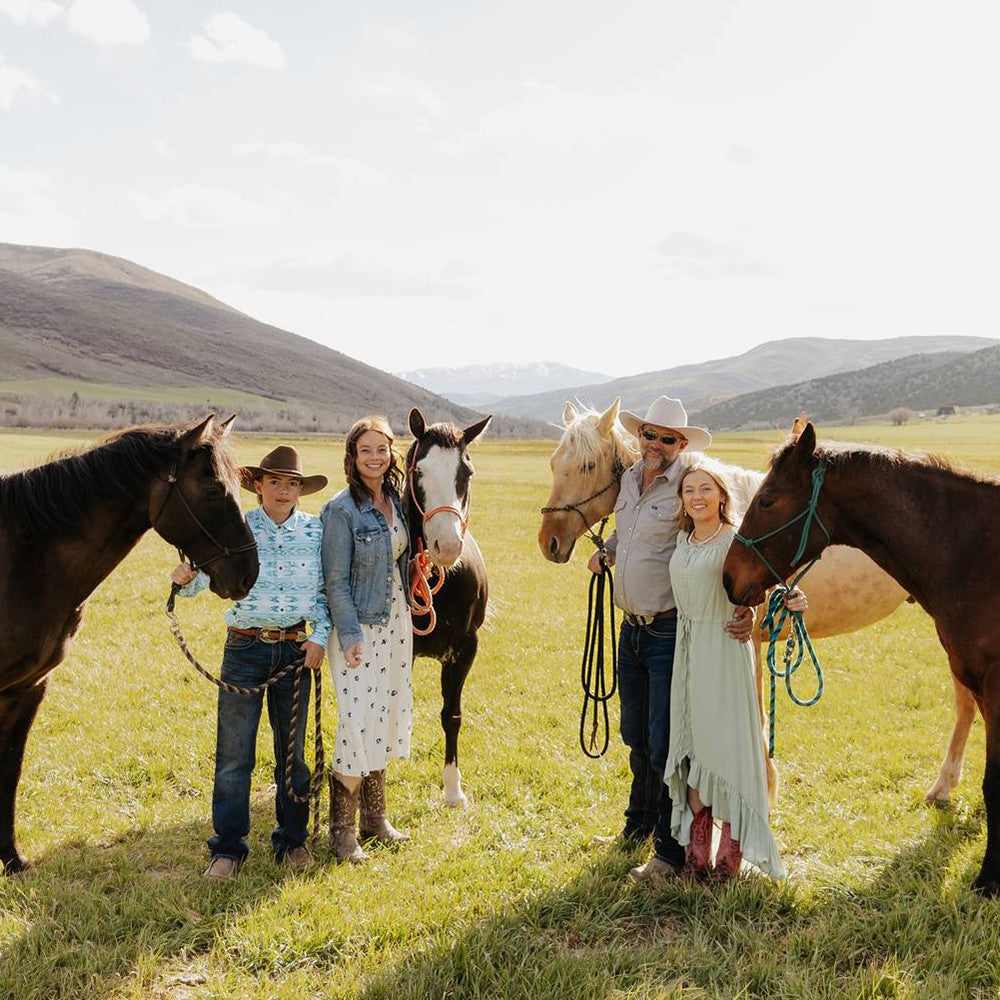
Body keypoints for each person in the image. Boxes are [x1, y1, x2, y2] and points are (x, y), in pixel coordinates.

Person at [587, 396, 753, 885]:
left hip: (667, 630)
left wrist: (750, 603)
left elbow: (723, 541)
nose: (656, 444)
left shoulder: (688, 486)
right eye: (649, 435)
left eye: (667, 438)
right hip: (630, 629)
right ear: (640, 437)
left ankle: (667, 850)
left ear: (682, 444)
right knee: (635, 735)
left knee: (664, 744)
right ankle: (636, 825)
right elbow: (630, 530)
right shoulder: (630, 480)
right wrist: (610, 552)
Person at [171, 445, 331, 879]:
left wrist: (319, 637)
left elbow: (325, 592)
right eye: (275, 482)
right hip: (244, 648)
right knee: (234, 755)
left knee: (293, 755)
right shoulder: (237, 529)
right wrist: (185, 581)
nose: (284, 490)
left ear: (301, 489)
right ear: (258, 485)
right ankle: (227, 849)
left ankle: (292, 841)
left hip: (296, 651)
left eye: (292, 483)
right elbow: (204, 579)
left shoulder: (316, 533)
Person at [664, 458, 805, 880]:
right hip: (687, 651)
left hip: (725, 648)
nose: (697, 497)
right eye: (689, 490)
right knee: (694, 749)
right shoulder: (683, 540)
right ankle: (697, 856)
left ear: (723, 495)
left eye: (706, 488)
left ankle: (729, 860)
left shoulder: (736, 540)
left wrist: (787, 600)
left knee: (727, 748)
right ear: (682, 500)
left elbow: (777, 582)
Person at [320, 416, 414, 864]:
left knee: (385, 714)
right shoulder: (342, 509)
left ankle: (375, 819)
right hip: (359, 626)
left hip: (395, 621)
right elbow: (335, 581)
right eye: (366, 450)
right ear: (352, 457)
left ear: (392, 453)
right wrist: (351, 633)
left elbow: (398, 561)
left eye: (382, 449)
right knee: (356, 719)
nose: (375, 458)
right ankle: (342, 833)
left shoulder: (395, 499)